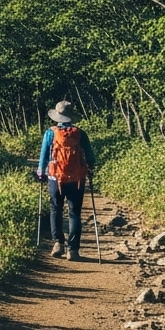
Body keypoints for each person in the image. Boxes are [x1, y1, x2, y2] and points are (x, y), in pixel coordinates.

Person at [36, 100, 95, 261]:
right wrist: (89, 169)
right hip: (77, 178)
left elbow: (43, 156)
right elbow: (90, 157)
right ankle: (73, 250)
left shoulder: (50, 132)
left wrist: (41, 173)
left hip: (56, 177)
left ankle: (58, 244)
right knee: (74, 212)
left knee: (56, 209)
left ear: (57, 116)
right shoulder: (80, 133)